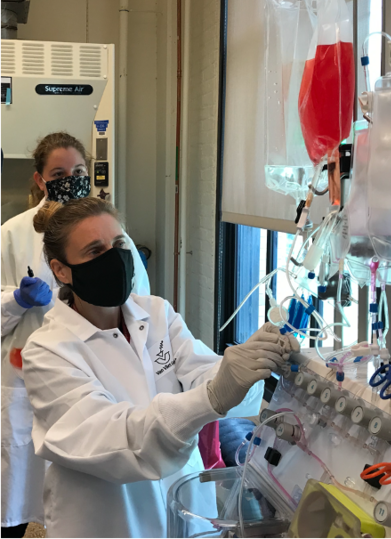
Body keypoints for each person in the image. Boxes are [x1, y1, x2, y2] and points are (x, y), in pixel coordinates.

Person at [21, 197, 297, 538]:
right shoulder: (48, 350)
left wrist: (252, 364)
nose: (114, 258)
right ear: (61, 270)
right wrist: (210, 397)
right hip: (109, 518)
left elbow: (207, 375)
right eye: (95, 251)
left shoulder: (156, 313)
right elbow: (110, 435)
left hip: (185, 500)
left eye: (118, 244)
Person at [0, 133, 150, 538]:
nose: (71, 180)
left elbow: (141, 309)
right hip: (23, 375)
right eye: (59, 173)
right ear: (39, 179)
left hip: (95, 371)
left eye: (79, 172)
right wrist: (16, 300)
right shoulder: (11, 234)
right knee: (18, 494)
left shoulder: (113, 233)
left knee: (89, 487)